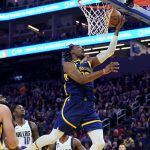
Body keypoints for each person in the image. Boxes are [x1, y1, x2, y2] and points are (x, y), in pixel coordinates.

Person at [26, 16, 125, 150]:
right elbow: (81, 80)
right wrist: (104, 71)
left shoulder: (89, 61)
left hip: (89, 106)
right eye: (79, 47)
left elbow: (109, 52)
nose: (82, 48)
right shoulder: (68, 65)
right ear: (72, 51)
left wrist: (117, 31)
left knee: (100, 143)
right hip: (73, 105)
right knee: (52, 137)